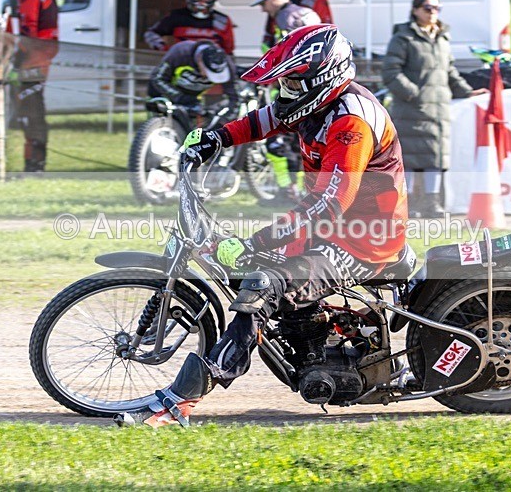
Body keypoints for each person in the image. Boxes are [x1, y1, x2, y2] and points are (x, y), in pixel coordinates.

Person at [116, 24, 408, 428]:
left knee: (262, 285)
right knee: (270, 281)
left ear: (322, 79)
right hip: (333, 230)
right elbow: (263, 121)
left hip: (362, 242)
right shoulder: (314, 104)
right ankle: (315, 341)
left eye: (291, 82)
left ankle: (181, 402)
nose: (284, 91)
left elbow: (330, 203)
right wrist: (215, 139)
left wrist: (255, 241)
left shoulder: (350, 124)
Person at [381, 0, 487, 218]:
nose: (433, 13)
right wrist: (414, 94)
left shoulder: (442, 38)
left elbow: (449, 72)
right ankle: (405, 203)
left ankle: (431, 203)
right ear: (415, 10)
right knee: (408, 160)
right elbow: (390, 72)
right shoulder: (403, 38)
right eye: (428, 8)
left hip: (438, 111)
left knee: (435, 159)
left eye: (437, 8)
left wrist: (467, 92)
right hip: (411, 110)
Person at [253, 0, 322, 204]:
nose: (263, 9)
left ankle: (288, 192)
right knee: (304, 143)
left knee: (277, 143)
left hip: (292, 92)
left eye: (263, 3)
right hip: (315, 91)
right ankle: (304, 193)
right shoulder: (306, 13)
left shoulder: (285, 18)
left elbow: (289, 57)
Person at [4, 0, 59, 173]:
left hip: (32, 63)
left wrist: (14, 62)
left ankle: (34, 165)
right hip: (39, 59)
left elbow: (28, 32)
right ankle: (35, 164)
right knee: (32, 112)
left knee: (31, 114)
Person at [144, 0, 236, 55]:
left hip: (210, 65)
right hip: (182, 61)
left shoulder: (222, 21)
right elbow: (151, 33)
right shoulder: (176, 16)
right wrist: (163, 48)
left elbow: (228, 51)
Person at [147, 40, 238, 115]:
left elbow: (233, 95)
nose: (206, 77)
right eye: (208, 72)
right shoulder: (180, 52)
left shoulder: (227, 65)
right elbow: (157, 78)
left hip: (194, 99)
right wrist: (180, 98)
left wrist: (227, 115)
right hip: (166, 92)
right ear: (199, 60)